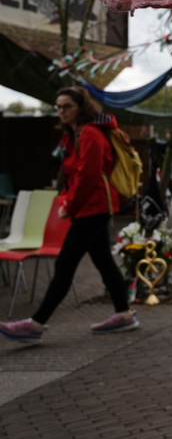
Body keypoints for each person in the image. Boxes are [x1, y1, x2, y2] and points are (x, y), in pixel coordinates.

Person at [0, 87, 137, 342]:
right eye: (58, 107)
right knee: (103, 261)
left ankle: (35, 324)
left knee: (65, 264)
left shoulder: (90, 134)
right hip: (92, 206)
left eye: (67, 106)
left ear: (81, 108)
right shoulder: (79, 133)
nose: (61, 111)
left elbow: (88, 175)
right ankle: (124, 314)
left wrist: (69, 206)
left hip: (92, 206)